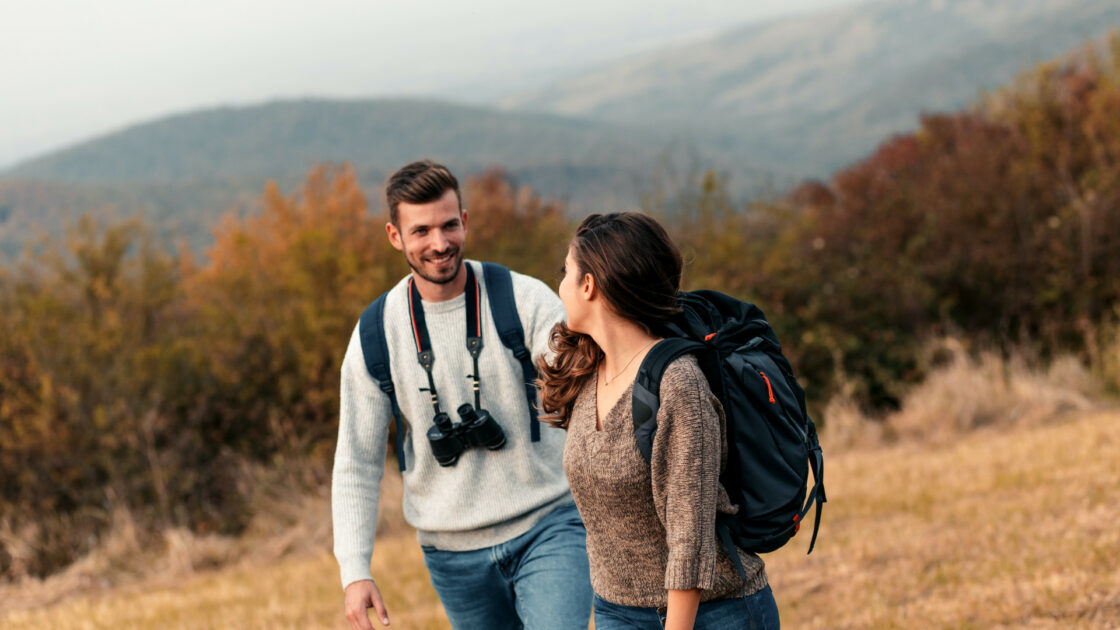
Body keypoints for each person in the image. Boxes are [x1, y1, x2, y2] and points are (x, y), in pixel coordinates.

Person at [332, 160, 592, 630]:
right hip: (451, 556)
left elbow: (587, 386)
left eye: (450, 225)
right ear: (395, 235)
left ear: (465, 221)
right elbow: (357, 459)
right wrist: (355, 571)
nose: (439, 243)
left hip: (550, 526)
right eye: (421, 231)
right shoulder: (376, 333)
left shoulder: (522, 298)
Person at [538, 212, 780, 630]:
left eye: (567, 271)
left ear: (589, 285)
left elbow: (691, 539)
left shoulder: (678, 384)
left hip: (712, 613)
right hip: (617, 609)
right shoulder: (588, 369)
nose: (561, 285)